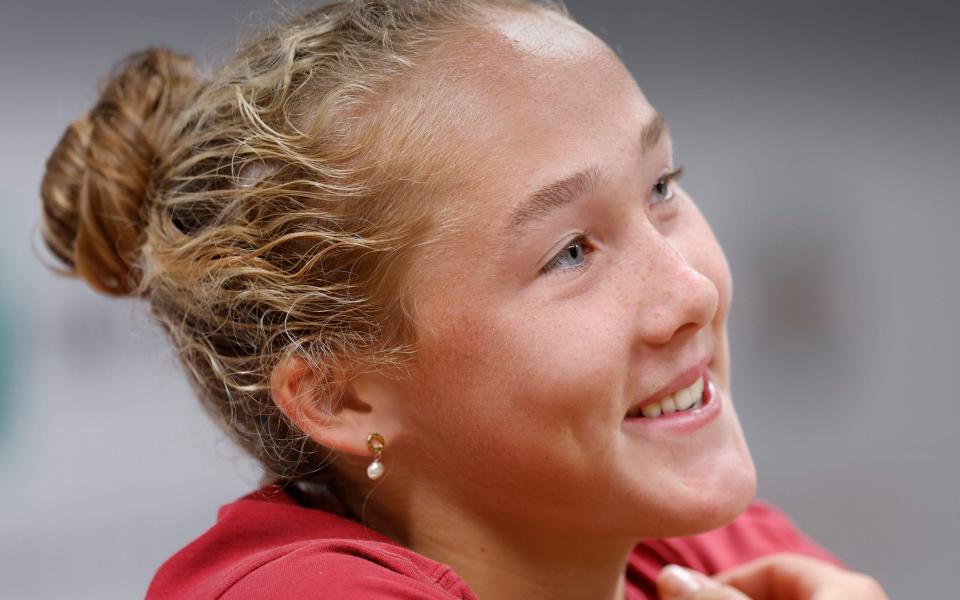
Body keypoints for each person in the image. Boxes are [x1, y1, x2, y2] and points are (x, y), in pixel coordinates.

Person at [38, 1, 889, 598]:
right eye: (570, 253)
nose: (691, 290)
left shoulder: (716, 551)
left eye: (661, 185)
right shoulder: (290, 592)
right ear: (341, 393)